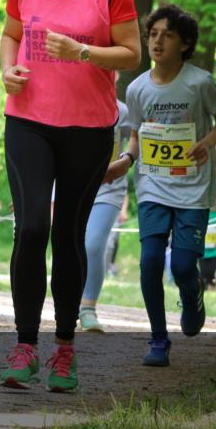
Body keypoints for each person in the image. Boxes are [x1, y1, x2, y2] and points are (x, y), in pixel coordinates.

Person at [0, 0, 140, 390]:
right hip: (29, 120)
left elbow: (131, 54)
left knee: (67, 236)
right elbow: (11, 35)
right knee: (31, 227)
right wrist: (7, 70)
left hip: (87, 128)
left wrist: (83, 53)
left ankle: (63, 349)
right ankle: (23, 346)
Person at [108, 4, 216, 367]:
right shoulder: (138, 88)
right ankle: (159, 339)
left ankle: (192, 296)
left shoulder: (199, 83)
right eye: (153, 35)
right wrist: (126, 162)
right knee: (148, 262)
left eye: (168, 35)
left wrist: (206, 144)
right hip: (153, 185)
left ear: (185, 43)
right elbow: (136, 137)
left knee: (181, 267)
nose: (158, 41)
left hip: (192, 187)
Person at [80, 91, 132, 332]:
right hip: (74, 185)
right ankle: (69, 304)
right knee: (72, 243)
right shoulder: (73, 103)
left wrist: (124, 161)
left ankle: (88, 308)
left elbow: (134, 143)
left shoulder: (123, 111)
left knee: (94, 244)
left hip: (108, 188)